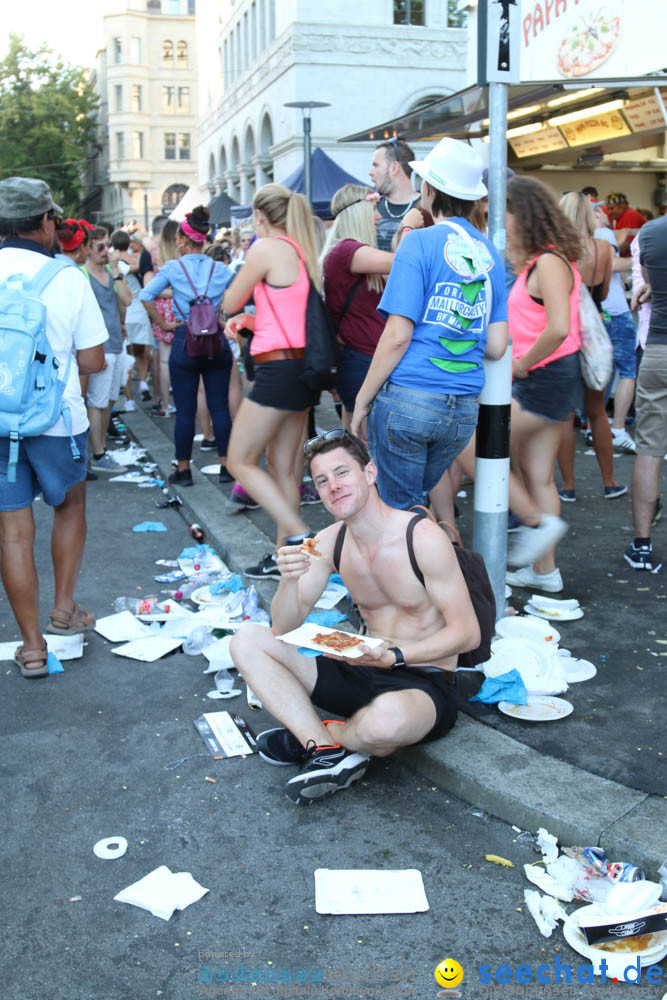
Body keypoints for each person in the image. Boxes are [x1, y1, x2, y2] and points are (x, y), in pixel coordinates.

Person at [230, 430, 479, 805]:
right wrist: (288, 580)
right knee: (247, 638)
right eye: (322, 480)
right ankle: (325, 752)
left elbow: (468, 633)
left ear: (370, 473)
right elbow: (283, 627)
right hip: (360, 667)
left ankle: (321, 738)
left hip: (422, 682)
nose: (333, 486)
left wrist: (395, 656)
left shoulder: (422, 538)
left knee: (385, 722)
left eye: (342, 472)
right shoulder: (330, 541)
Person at [351, 137, 508, 511]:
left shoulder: (417, 244)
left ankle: (417, 569)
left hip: (410, 398)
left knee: (394, 513)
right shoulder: (489, 255)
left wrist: (361, 399)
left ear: (429, 188)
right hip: (462, 411)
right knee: (412, 506)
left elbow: (397, 337)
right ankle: (428, 565)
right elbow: (497, 345)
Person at [0, 177, 107, 677]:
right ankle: (64, 609)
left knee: (12, 531)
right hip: (56, 420)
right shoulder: (66, 278)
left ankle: (32, 645)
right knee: (70, 506)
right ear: (45, 223)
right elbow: (92, 359)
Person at [222, 183, 322, 580]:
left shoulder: (266, 248)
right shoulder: (301, 251)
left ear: (259, 217)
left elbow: (229, 301)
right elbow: (288, 313)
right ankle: (288, 562)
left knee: (240, 459)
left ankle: (298, 535)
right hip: (301, 370)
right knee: (285, 470)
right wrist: (253, 320)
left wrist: (239, 313)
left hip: (277, 370)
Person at [504, 177, 581, 594]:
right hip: (549, 377)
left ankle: (534, 523)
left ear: (524, 214)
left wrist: (521, 365)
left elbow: (558, 328)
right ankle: (545, 572)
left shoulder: (549, 262)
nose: (503, 223)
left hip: (543, 378)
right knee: (539, 475)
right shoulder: (543, 261)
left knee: (480, 445)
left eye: (507, 213)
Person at [140, 206, 234, 486]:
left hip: (185, 339)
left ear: (182, 239)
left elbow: (146, 295)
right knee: (220, 408)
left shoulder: (173, 268)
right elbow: (242, 295)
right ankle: (227, 467)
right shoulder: (220, 268)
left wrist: (166, 325)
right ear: (204, 238)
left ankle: (183, 470)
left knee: (185, 410)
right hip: (216, 341)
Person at [556, 191, 626, 501]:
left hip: (566, 337)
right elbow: (604, 290)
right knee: (597, 412)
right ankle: (609, 481)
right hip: (595, 336)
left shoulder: (557, 253)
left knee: (566, 414)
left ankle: (568, 487)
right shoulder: (601, 248)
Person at [320, 184, 393, 427]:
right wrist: (409, 227)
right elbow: (403, 261)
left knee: (356, 442)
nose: (379, 216)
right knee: (365, 448)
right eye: (374, 208)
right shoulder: (346, 250)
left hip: (363, 360)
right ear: (358, 212)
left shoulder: (345, 252)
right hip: (361, 362)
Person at [624, 214, 667, 570]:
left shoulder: (649, 233)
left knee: (650, 449)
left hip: (658, 352)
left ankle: (641, 545)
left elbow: (652, 282)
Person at [82, 227, 133, 473]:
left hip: (116, 342)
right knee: (97, 401)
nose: (106, 252)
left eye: (107, 246)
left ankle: (100, 449)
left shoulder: (114, 273)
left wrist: (115, 271)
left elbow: (127, 300)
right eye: (100, 247)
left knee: (109, 400)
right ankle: (99, 453)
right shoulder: (81, 275)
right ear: (87, 248)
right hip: (98, 346)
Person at [594, 221, 638, 453]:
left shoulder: (580, 236)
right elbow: (612, 264)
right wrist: (641, 258)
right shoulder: (603, 232)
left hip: (598, 311)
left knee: (601, 372)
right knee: (628, 372)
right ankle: (618, 429)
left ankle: (594, 427)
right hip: (616, 313)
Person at [149, 219, 179, 417]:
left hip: (160, 310)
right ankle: (184, 401)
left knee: (164, 361)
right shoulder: (181, 254)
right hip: (180, 309)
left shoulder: (157, 254)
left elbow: (153, 288)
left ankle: (165, 405)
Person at [369, 138, 420, 251]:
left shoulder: (425, 208)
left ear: (394, 168)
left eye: (376, 165)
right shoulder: (372, 207)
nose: (370, 172)